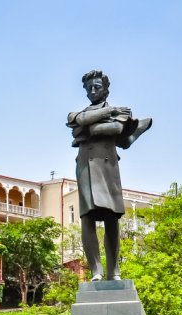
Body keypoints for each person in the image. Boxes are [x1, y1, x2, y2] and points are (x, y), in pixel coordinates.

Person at [67, 70, 151, 280]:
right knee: (87, 217)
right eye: (89, 88)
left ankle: (114, 271)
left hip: (108, 166)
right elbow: (79, 121)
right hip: (86, 166)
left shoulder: (122, 114)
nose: (93, 91)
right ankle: (96, 271)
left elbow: (115, 129)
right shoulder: (79, 114)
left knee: (112, 217)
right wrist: (108, 112)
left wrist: (89, 129)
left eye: (97, 86)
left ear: (106, 88)